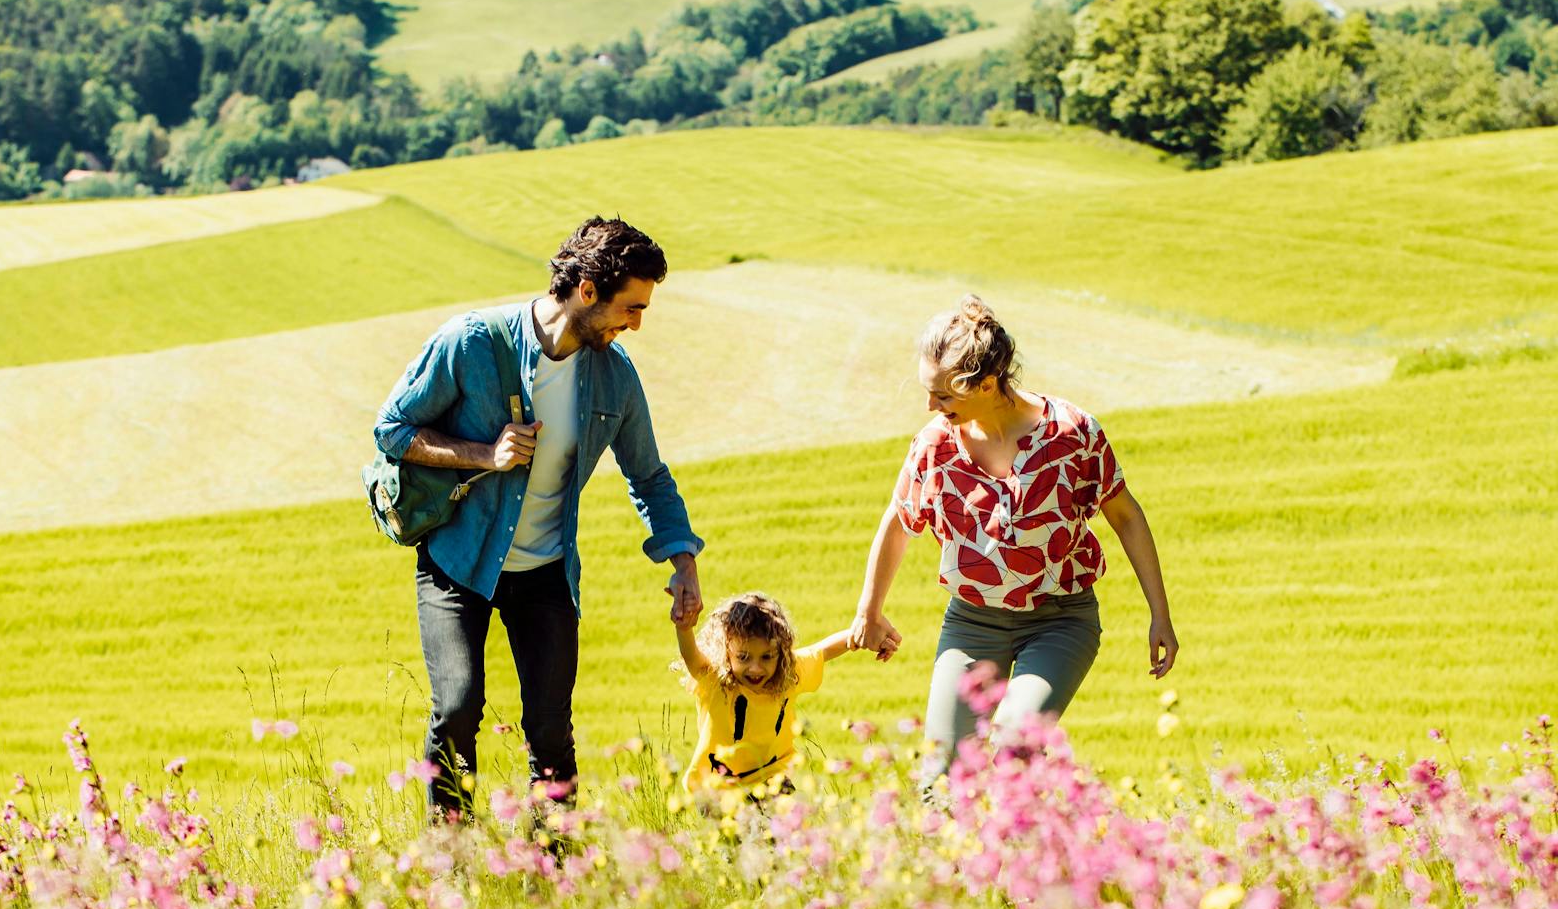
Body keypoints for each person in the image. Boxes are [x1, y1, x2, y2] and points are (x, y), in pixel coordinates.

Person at [373, 216, 705, 820]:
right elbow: (392, 430)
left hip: (546, 572)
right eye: (630, 308)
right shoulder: (472, 342)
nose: (636, 324)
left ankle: (554, 866)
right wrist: (483, 454)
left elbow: (649, 477)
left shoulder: (615, 376)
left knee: (550, 729)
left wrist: (682, 559)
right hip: (459, 560)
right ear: (586, 291)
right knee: (458, 707)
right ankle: (451, 858)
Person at [850, 294, 1177, 783]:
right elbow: (898, 521)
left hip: (1060, 622)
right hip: (973, 622)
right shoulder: (934, 446)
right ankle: (963, 860)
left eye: (943, 396)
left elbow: (1126, 516)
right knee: (942, 777)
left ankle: (1034, 852)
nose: (930, 407)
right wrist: (868, 612)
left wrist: (1160, 614)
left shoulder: (1072, 434)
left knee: (1011, 751)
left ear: (986, 384)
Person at [673, 593, 856, 802]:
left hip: (774, 780)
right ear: (726, 653)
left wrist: (861, 633)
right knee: (737, 835)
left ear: (781, 653)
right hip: (717, 789)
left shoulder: (788, 674)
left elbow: (823, 651)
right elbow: (692, 657)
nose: (755, 668)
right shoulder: (716, 682)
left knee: (784, 832)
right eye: (743, 657)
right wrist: (684, 627)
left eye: (766, 657)